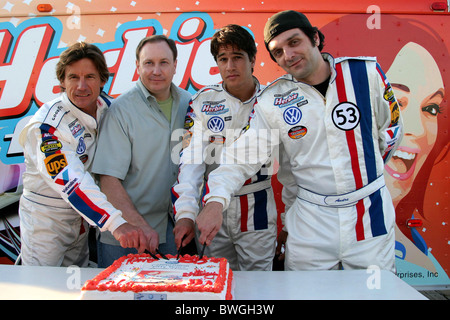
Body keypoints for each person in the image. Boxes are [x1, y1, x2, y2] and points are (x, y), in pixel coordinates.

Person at [196, 10, 403, 271]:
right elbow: (241, 158)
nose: (289, 55)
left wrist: (364, 170)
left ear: (315, 37)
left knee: (375, 292)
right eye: (278, 52)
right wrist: (215, 201)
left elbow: (392, 130)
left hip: (370, 215)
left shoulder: (366, 74)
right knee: (305, 293)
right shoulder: (273, 99)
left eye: (294, 42)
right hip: (311, 223)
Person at [18, 42, 147, 267]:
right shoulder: (47, 126)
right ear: (62, 81)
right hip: (46, 220)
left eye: (90, 77)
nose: (81, 86)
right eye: (73, 78)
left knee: (74, 282)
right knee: (41, 287)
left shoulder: (109, 108)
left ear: (103, 80)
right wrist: (116, 223)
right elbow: (72, 182)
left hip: (82, 217)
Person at [172, 24, 284, 270]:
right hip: (212, 207)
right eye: (223, 59)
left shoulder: (272, 100)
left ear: (252, 59)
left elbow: (293, 165)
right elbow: (190, 162)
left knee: (258, 285)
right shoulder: (203, 102)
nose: (230, 66)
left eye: (237, 58)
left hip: (259, 205)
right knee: (216, 278)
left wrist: (289, 222)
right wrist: (186, 214)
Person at [91, 35, 191, 267]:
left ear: (175, 65)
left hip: (172, 233)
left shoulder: (189, 103)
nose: (156, 70)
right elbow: (108, 180)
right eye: (148, 63)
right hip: (126, 237)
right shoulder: (120, 112)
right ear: (137, 66)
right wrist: (140, 225)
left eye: (163, 62)